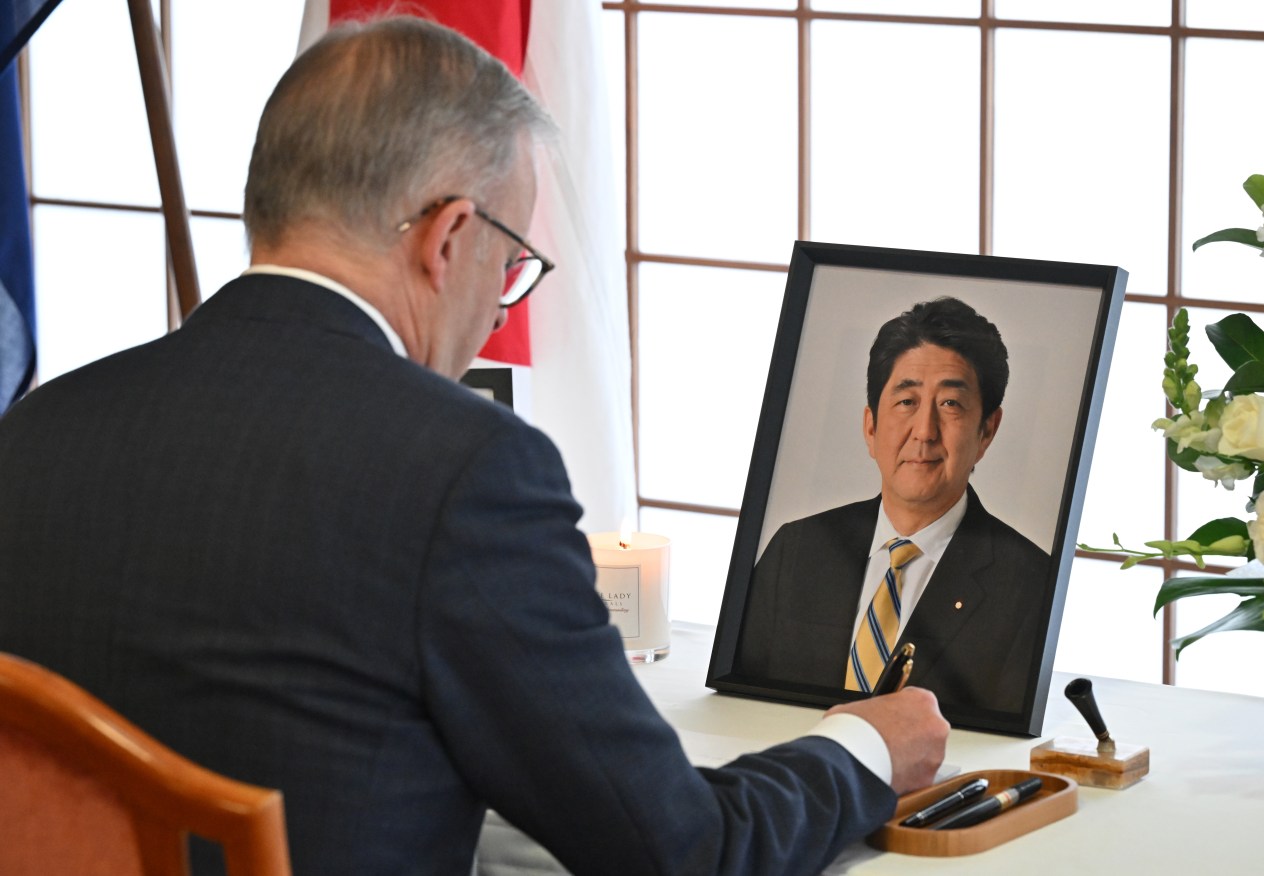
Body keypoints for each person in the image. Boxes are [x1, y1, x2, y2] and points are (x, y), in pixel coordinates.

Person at [0, 17, 948, 876]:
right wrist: (858, 749)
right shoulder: (459, 472)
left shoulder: (34, 434)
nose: (498, 309)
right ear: (448, 238)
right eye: (508, 267)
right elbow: (679, 853)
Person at [738, 297, 1050, 717]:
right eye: (906, 402)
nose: (924, 431)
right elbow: (739, 700)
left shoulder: (1030, 584)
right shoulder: (796, 549)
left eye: (950, 404)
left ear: (987, 431)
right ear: (871, 426)